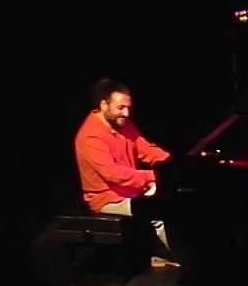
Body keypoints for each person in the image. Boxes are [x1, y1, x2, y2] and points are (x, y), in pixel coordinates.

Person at [74, 77, 179, 267]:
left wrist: (174, 164)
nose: (126, 112)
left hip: (130, 190)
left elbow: (145, 149)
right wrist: (154, 176)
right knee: (159, 212)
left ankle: (169, 252)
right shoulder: (90, 136)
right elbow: (113, 174)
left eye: (128, 107)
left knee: (176, 200)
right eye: (121, 107)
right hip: (107, 198)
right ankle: (186, 262)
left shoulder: (123, 123)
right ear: (104, 104)